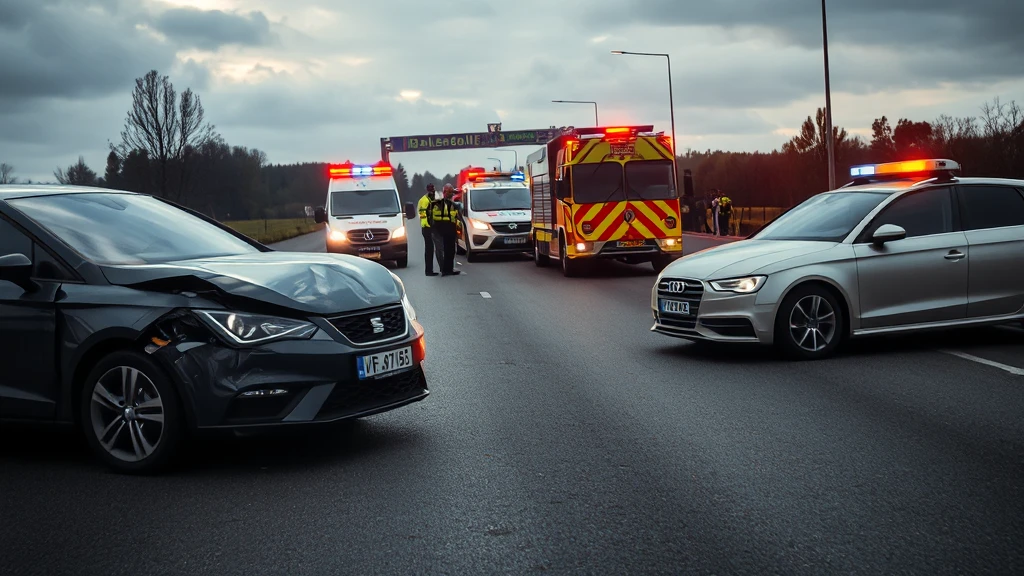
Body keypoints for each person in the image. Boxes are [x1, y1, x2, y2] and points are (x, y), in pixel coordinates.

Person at [428, 183, 461, 276]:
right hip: (443, 228)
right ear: (445, 192)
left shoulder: (447, 203)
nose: (452, 194)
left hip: (447, 228)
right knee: (445, 250)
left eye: (452, 192)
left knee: (449, 250)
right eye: (450, 192)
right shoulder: (443, 203)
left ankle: (448, 269)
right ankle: (446, 269)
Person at [418, 184, 439, 276]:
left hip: (430, 227)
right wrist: (427, 225)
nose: (433, 192)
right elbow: (423, 214)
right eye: (431, 190)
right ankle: (428, 271)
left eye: (433, 190)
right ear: (428, 190)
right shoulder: (425, 200)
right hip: (427, 228)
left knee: (430, 248)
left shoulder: (430, 199)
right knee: (429, 249)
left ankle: (430, 270)